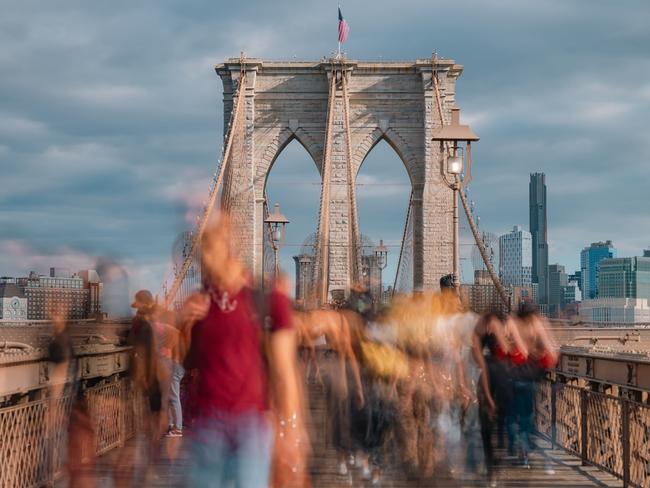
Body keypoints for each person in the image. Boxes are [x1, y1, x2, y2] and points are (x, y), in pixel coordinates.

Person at [181, 216, 309, 488]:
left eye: (209, 250)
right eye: (201, 253)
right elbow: (189, 363)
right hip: (207, 424)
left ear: (229, 249)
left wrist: (291, 434)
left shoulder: (267, 301)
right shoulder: (200, 303)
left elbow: (285, 371)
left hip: (251, 424)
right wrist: (188, 325)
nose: (204, 260)